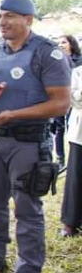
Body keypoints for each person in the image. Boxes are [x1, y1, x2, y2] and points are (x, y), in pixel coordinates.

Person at [0, 0, 71, 273]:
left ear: (29, 19)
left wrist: (15, 114)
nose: (2, 22)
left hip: (28, 143)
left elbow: (60, 103)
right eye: (0, 16)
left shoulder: (47, 53)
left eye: (10, 16)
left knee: (27, 211)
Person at [53, 34, 82, 170]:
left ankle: (73, 159)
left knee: (73, 128)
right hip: (59, 99)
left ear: (71, 44)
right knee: (59, 128)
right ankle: (60, 158)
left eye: (63, 42)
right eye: (58, 43)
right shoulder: (55, 61)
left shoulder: (79, 61)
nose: (60, 45)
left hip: (75, 101)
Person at [61, 64, 82, 238]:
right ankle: (71, 222)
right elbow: (70, 98)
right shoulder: (78, 71)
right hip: (80, 133)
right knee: (76, 177)